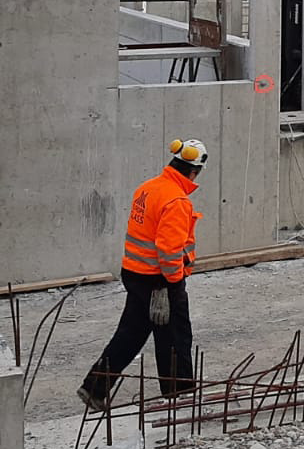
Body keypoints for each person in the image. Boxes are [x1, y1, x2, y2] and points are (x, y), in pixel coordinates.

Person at [79, 138, 209, 412]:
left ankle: (94, 388)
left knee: (131, 334)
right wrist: (172, 283)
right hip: (159, 280)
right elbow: (169, 249)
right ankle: (181, 396)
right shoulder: (176, 200)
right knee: (175, 337)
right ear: (194, 172)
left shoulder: (148, 188)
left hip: (135, 274)